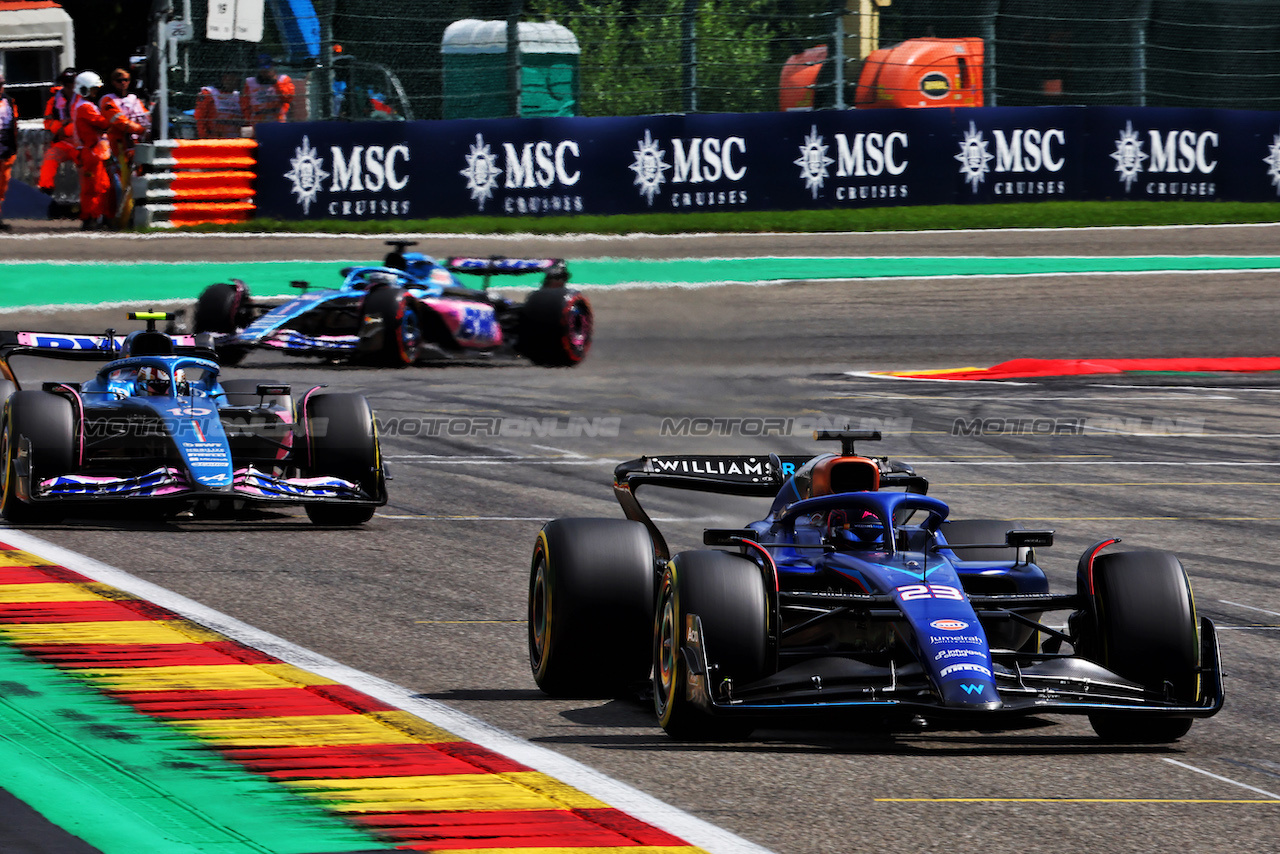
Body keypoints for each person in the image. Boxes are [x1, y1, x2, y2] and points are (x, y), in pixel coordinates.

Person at [72, 71, 142, 230]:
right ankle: (91, 218)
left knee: (101, 186)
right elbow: (103, 123)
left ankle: (97, 217)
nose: (95, 93)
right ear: (83, 89)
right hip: (91, 152)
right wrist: (114, 120)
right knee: (95, 188)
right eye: (93, 90)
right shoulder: (84, 107)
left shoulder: (85, 105)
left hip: (95, 151)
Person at [38, 68, 77, 196]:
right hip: (63, 142)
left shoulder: (85, 98)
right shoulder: (54, 100)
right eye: (67, 83)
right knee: (50, 157)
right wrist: (58, 128)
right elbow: (48, 121)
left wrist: (67, 128)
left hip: (83, 143)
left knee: (90, 165)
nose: (70, 86)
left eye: (72, 82)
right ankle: (45, 191)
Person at [242, 56, 294, 127]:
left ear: (273, 67)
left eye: (267, 69)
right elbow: (245, 105)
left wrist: (276, 83)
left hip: (278, 119)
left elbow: (288, 98)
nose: (265, 72)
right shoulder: (250, 82)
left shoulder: (283, 79)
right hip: (258, 121)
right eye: (262, 69)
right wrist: (249, 121)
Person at [195, 71, 245, 138]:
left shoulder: (239, 97)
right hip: (214, 139)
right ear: (221, 79)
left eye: (235, 78)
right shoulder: (209, 93)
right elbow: (200, 118)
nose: (233, 81)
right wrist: (204, 138)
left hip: (235, 140)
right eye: (229, 78)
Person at [0, 72, 16, 232]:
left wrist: (12, 146)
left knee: (2, 185)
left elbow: (13, 125)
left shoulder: (9, 101)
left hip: (4, 147)